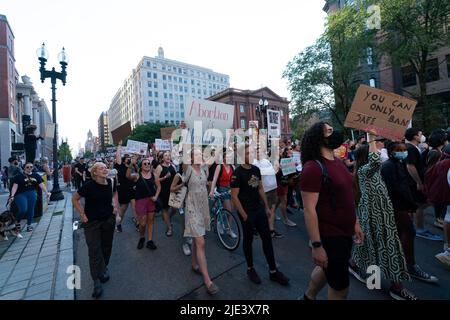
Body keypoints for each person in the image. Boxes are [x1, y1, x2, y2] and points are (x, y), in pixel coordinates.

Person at [300, 122, 363, 300]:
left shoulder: (337, 162)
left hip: (345, 232)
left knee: (325, 268)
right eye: (329, 131)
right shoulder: (313, 168)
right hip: (330, 236)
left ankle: (308, 297)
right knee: (340, 287)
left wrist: (355, 222)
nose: (334, 133)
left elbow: (347, 196)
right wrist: (317, 246)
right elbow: (309, 209)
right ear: (319, 139)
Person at [351, 132, 416, 300]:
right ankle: (395, 287)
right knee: (389, 248)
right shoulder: (367, 170)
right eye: (376, 150)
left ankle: (363, 272)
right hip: (376, 215)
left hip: (377, 213)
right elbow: (374, 160)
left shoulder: (373, 171)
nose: (380, 152)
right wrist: (371, 137)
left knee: (371, 246)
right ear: (368, 156)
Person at [231, 143, 290, 287]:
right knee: (248, 240)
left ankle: (273, 271)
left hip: (258, 209)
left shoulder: (256, 169)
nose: (250, 155)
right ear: (241, 155)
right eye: (246, 153)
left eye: (251, 152)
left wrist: (266, 207)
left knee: (267, 239)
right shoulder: (237, 174)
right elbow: (234, 197)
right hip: (246, 212)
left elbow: (260, 188)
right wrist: (244, 215)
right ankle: (250, 269)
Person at [381, 142, 439, 283]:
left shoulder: (398, 163)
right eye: (398, 150)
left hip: (403, 205)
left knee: (404, 234)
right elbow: (393, 190)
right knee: (408, 232)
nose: (402, 152)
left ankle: (401, 263)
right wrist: (409, 206)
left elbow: (404, 186)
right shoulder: (388, 166)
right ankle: (409, 266)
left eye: (403, 150)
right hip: (397, 207)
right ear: (390, 152)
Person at [72, 162, 120, 299]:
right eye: (101, 168)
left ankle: (103, 268)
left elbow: (115, 194)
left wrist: (115, 208)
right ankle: (96, 281)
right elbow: (74, 198)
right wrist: (82, 214)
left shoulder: (111, 182)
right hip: (92, 223)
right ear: (95, 173)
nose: (105, 169)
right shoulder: (89, 186)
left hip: (108, 220)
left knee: (106, 247)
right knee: (94, 251)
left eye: (105, 168)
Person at [183, 147, 218, 295]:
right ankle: (207, 280)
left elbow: (215, 156)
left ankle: (194, 264)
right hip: (192, 208)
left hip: (203, 207)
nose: (199, 156)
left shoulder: (204, 168)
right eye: (196, 154)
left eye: (200, 154)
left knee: (198, 241)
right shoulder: (188, 168)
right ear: (191, 158)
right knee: (201, 242)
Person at [404, 128, 442, 241]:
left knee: (418, 204)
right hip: (414, 182)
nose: (422, 136)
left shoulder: (412, 148)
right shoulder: (411, 148)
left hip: (412, 182)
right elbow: (410, 166)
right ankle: (419, 229)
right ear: (415, 136)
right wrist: (418, 182)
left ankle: (411, 224)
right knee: (420, 205)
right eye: (420, 134)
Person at [423, 143, 450, 268]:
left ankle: (448, 248)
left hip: (443, 197)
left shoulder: (442, 163)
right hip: (443, 196)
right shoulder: (444, 163)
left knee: (447, 217)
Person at [127, 158, 160, 250]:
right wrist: (131, 164)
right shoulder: (137, 176)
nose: (147, 165)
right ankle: (142, 237)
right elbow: (128, 176)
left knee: (150, 221)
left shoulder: (154, 175)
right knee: (142, 223)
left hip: (151, 201)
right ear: (141, 166)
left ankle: (149, 240)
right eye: (144, 164)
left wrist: (156, 197)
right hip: (140, 201)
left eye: (148, 163)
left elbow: (159, 187)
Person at [9, 162, 50, 232]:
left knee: (31, 209)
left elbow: (41, 184)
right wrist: (12, 195)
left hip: (32, 193)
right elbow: (14, 187)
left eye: (31, 167)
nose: (29, 168)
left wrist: (47, 192)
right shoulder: (19, 176)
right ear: (24, 168)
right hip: (20, 194)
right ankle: (17, 221)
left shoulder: (36, 175)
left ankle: (29, 225)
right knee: (23, 209)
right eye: (27, 167)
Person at [253, 151, 283, 239]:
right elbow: (256, 176)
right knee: (261, 211)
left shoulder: (266, 161)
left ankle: (271, 230)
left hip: (272, 188)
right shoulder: (254, 163)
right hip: (263, 191)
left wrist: (278, 169)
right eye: (257, 151)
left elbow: (273, 172)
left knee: (272, 210)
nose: (260, 153)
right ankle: (257, 228)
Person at [209, 148, 237, 239]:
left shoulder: (233, 167)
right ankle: (221, 224)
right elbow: (214, 180)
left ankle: (229, 229)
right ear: (224, 158)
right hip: (222, 188)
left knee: (231, 210)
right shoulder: (219, 166)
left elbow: (235, 180)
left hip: (231, 189)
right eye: (228, 156)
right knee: (228, 209)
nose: (230, 158)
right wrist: (212, 191)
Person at [170, 161, 192, 256]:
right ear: (182, 165)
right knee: (183, 223)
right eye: (187, 164)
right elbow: (172, 189)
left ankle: (188, 237)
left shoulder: (192, 174)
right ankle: (184, 244)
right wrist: (183, 184)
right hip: (181, 202)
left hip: (191, 202)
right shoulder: (178, 175)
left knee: (190, 222)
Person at [114, 148, 137, 233]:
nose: (129, 159)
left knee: (135, 207)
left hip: (133, 189)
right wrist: (119, 146)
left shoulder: (133, 166)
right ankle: (118, 224)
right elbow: (118, 156)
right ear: (123, 161)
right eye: (128, 158)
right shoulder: (120, 166)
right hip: (123, 190)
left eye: (130, 158)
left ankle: (138, 223)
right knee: (123, 209)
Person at [154, 151, 177, 236]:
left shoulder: (173, 166)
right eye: (166, 155)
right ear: (162, 158)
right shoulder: (159, 167)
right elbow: (155, 180)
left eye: (169, 155)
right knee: (165, 209)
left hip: (173, 191)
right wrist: (164, 177)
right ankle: (169, 228)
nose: (168, 157)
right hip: (163, 191)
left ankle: (168, 218)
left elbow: (176, 176)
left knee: (174, 208)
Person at [276, 148, 297, 227]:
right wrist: (280, 169)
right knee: (283, 200)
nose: (290, 151)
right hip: (280, 182)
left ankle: (273, 213)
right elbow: (276, 174)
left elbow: (290, 172)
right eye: (279, 151)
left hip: (285, 182)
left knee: (279, 199)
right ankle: (285, 220)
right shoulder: (276, 160)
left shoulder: (286, 159)